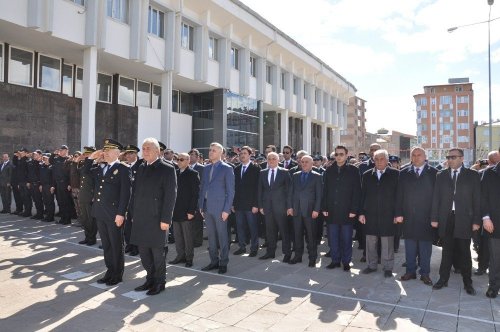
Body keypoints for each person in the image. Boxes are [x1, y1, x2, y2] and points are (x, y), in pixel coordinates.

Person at [431, 148, 480, 295]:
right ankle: (443, 279)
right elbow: (436, 198)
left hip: (465, 219)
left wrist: (476, 220)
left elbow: (477, 200)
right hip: (446, 219)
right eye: (448, 157)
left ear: (462, 158)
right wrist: (434, 218)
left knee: (465, 252)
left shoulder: (472, 175)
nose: (450, 159)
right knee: (446, 251)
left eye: (453, 157)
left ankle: (468, 283)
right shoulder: (441, 175)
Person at [131, 138, 177, 296]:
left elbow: (170, 196)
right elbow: (136, 194)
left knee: (158, 254)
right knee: (144, 253)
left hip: (157, 219)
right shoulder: (141, 167)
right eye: (143, 148)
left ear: (158, 151)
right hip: (141, 218)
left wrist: (166, 220)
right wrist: (132, 214)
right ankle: (149, 279)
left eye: (148, 148)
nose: (145, 151)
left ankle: (159, 282)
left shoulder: (167, 168)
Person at [85, 139, 131, 286]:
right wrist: (92, 158)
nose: (104, 152)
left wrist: (121, 213)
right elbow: (85, 172)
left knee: (116, 244)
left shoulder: (123, 168)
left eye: (107, 150)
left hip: (114, 214)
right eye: (104, 150)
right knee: (106, 245)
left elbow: (125, 193)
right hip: (100, 212)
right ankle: (109, 271)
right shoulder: (100, 167)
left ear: (117, 153)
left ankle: (117, 274)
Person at [395, 147, 437, 286]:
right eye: (414, 155)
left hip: (427, 218)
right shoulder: (404, 173)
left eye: (419, 155)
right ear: (411, 157)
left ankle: (425, 274)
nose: (417, 157)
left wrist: (435, 217)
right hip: (408, 217)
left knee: (425, 248)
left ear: (425, 156)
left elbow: (438, 198)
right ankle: (410, 271)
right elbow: (399, 195)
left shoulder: (434, 173)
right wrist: (398, 214)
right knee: (410, 247)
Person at [359, 149, 399, 278]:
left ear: (387, 160)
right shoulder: (366, 174)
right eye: (376, 159)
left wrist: (397, 214)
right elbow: (362, 195)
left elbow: (399, 197)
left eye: (382, 159)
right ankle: (371, 265)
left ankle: (388, 267)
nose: (379, 161)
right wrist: (361, 213)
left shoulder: (396, 174)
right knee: (371, 242)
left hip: (388, 214)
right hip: (370, 214)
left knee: (387, 243)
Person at [198, 142, 235, 274]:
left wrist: (226, 210)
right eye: (210, 150)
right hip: (207, 207)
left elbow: (231, 191)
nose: (210, 152)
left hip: (220, 208)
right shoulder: (206, 168)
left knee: (222, 236)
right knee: (211, 236)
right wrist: (201, 206)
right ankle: (213, 261)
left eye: (213, 150)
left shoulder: (227, 168)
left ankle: (223, 262)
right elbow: (202, 188)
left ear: (220, 153)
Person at [322, 146, 361, 271]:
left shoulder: (353, 170)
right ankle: (335, 260)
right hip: (332, 210)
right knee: (333, 238)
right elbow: (325, 190)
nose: (338, 156)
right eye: (336, 154)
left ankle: (346, 261)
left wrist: (354, 210)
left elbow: (357, 191)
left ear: (346, 155)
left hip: (347, 211)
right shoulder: (328, 170)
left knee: (346, 238)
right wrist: (324, 207)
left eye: (341, 154)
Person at [288, 155, 322, 267]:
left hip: (310, 211)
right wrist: (290, 207)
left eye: (306, 162)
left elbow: (319, 195)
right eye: (302, 162)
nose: (304, 164)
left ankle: (312, 258)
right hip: (296, 210)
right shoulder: (295, 175)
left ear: (312, 163)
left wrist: (316, 210)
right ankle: (298, 256)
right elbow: (290, 193)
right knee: (297, 235)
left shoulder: (317, 176)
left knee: (311, 236)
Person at [257, 151, 292, 262]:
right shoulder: (262, 173)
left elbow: (289, 191)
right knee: (270, 231)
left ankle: (287, 253)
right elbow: (260, 191)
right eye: (269, 159)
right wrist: (261, 206)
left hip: (281, 208)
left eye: (273, 158)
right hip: (267, 207)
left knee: (284, 231)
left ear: (278, 160)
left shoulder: (285, 172)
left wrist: (289, 207)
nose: (271, 160)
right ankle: (270, 252)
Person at [169, 152, 199, 268]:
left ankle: (189, 258)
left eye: (181, 160)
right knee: (178, 236)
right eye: (178, 159)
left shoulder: (193, 174)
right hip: (176, 210)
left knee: (188, 237)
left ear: (188, 161)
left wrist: (191, 211)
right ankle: (180, 256)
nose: (179, 162)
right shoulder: (175, 173)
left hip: (187, 211)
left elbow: (195, 194)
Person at [475, 150, 500, 276]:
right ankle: (484, 268)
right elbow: (482, 196)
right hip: (490, 220)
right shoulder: (486, 173)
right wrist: (485, 217)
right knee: (487, 247)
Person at [233, 146, 261, 257]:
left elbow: (257, 188)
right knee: (239, 227)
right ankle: (242, 247)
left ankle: (254, 248)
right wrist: (233, 203)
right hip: (239, 204)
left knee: (253, 227)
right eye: (241, 154)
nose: (242, 155)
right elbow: (234, 188)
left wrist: (256, 204)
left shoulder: (256, 168)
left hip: (251, 205)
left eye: (244, 153)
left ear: (250, 155)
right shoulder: (236, 169)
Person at [481, 147, 500, 298]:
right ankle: (493, 286)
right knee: (495, 259)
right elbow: (483, 198)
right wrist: (485, 217)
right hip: (495, 224)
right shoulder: (489, 173)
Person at [77, 146, 97, 245]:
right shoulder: (85, 164)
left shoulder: (95, 165)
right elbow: (77, 171)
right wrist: (79, 159)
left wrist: (94, 195)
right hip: (83, 195)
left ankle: (92, 238)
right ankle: (87, 237)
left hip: (90, 196)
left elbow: (97, 183)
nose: (85, 155)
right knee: (84, 219)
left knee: (91, 220)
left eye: (88, 154)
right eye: (85, 154)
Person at [123, 144, 141, 256]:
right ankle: (129, 244)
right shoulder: (125, 167)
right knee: (127, 225)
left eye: (130, 153)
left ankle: (136, 247)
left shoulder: (140, 166)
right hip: (126, 201)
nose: (127, 156)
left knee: (136, 226)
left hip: (136, 201)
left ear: (135, 154)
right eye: (126, 154)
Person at [51, 145, 73, 225]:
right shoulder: (57, 159)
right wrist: (54, 154)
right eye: (60, 150)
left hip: (65, 183)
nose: (60, 151)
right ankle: (63, 218)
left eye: (62, 150)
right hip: (57, 183)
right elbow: (51, 162)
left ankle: (67, 219)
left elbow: (71, 173)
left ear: (66, 150)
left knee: (66, 202)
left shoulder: (69, 160)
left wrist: (70, 184)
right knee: (60, 202)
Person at [27, 150, 44, 220]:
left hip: (37, 184)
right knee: (35, 200)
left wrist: (40, 184)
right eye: (34, 155)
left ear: (39, 155)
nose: (34, 156)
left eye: (36, 155)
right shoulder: (31, 162)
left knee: (39, 200)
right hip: (32, 183)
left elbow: (41, 175)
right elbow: (29, 173)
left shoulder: (40, 163)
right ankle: (38, 213)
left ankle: (40, 214)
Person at [39, 154, 55, 222]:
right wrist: (40, 185)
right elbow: (41, 176)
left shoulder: (52, 167)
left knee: (50, 202)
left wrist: (53, 186)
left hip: (49, 186)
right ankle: (48, 215)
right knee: (45, 201)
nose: (44, 159)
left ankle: (51, 217)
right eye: (44, 158)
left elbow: (54, 178)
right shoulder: (42, 166)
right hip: (43, 185)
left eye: (46, 158)